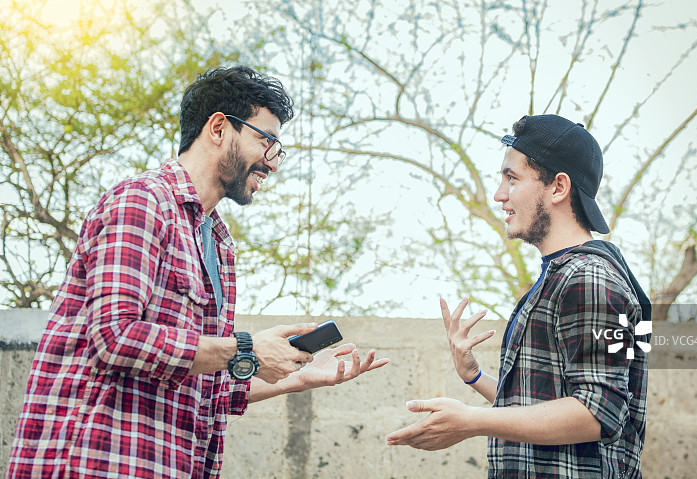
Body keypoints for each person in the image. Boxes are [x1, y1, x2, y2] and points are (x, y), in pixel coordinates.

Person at [6, 65, 388, 479]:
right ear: (219, 128)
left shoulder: (218, 244)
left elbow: (202, 388)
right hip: (96, 463)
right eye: (266, 142)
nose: (273, 164)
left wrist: (298, 377)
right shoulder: (142, 201)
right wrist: (245, 349)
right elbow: (115, 338)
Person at [387, 114, 650, 479]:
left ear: (558, 187)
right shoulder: (560, 276)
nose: (499, 195)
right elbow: (539, 406)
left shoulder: (587, 278)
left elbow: (596, 413)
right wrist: (474, 376)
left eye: (512, 178)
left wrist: (472, 421)